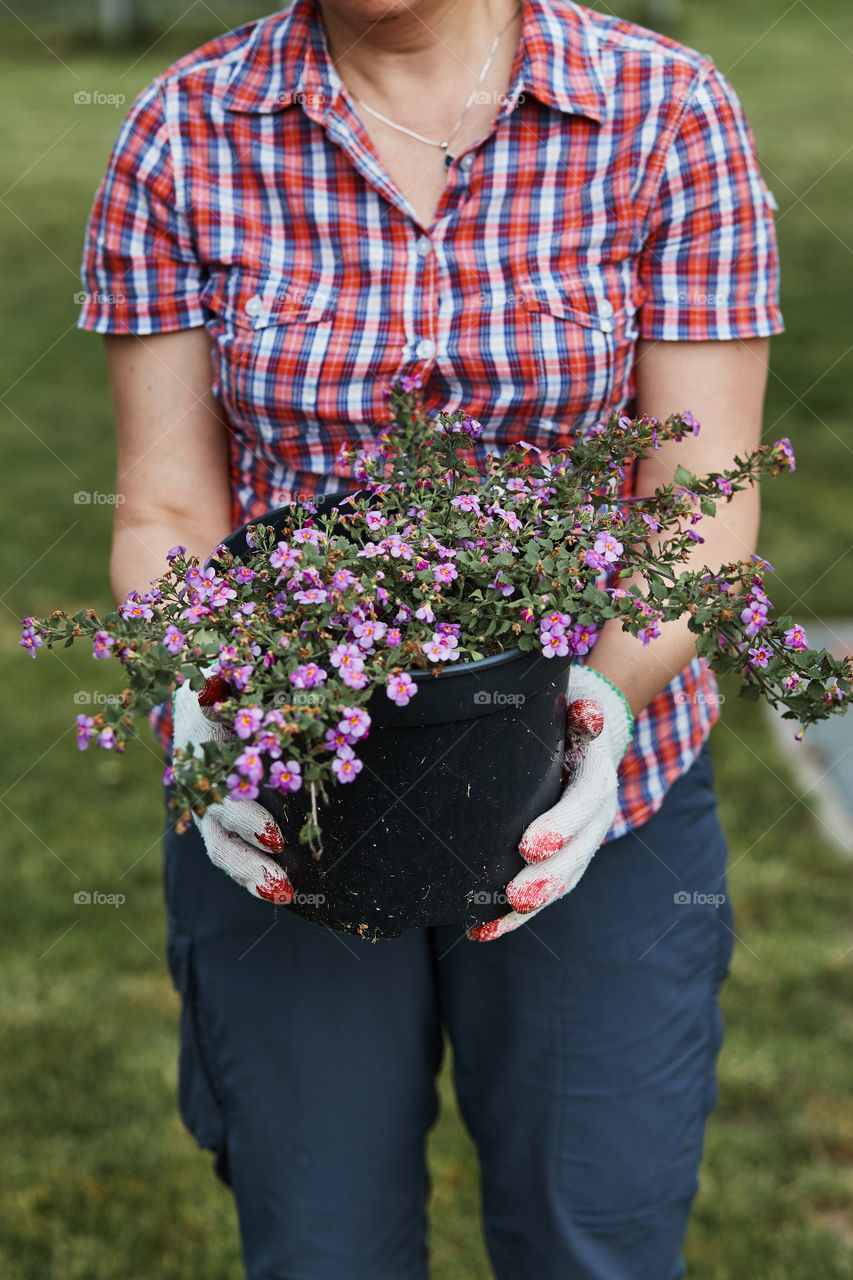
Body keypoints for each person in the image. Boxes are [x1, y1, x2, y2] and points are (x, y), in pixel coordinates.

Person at [78, 1, 783, 1275]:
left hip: (606, 814)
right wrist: (204, 690)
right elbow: (170, 507)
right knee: (321, 1245)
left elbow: (704, 515)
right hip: (294, 785)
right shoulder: (185, 129)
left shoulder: (664, 111)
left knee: (594, 1240)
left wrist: (601, 712)